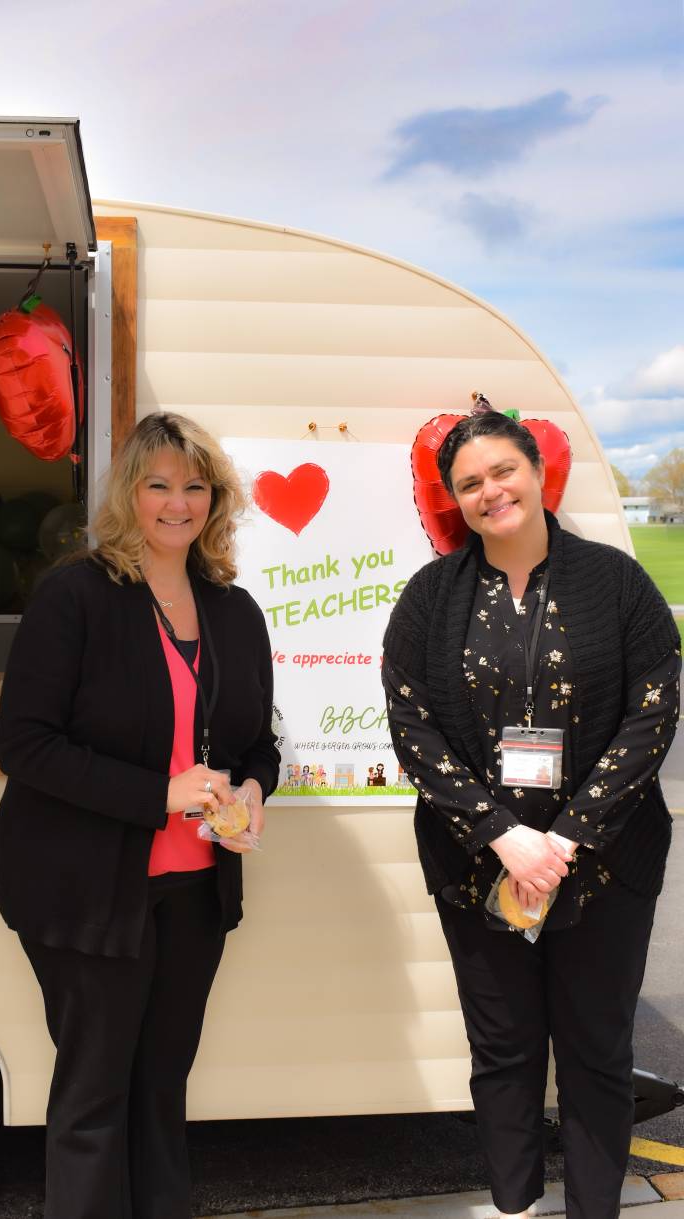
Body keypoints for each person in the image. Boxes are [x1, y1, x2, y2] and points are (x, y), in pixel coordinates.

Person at [382, 406, 680, 1219]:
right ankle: (514, 1207)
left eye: (502, 470)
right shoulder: (430, 598)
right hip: (477, 865)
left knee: (596, 1053)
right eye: (469, 483)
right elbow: (411, 724)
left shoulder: (616, 581)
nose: (490, 491)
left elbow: (655, 706)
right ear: (454, 499)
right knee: (504, 1052)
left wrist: (569, 835)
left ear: (538, 471)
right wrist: (503, 833)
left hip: (607, 864)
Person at [0, 412, 280, 1219]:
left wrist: (254, 789)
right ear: (130, 493)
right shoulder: (75, 595)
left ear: (216, 500)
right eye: (159, 484)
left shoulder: (233, 610)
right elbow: (25, 745)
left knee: (161, 1088)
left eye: (194, 486)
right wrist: (159, 793)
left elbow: (258, 744)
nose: (177, 502)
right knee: (94, 1095)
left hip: (195, 892)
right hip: (86, 891)